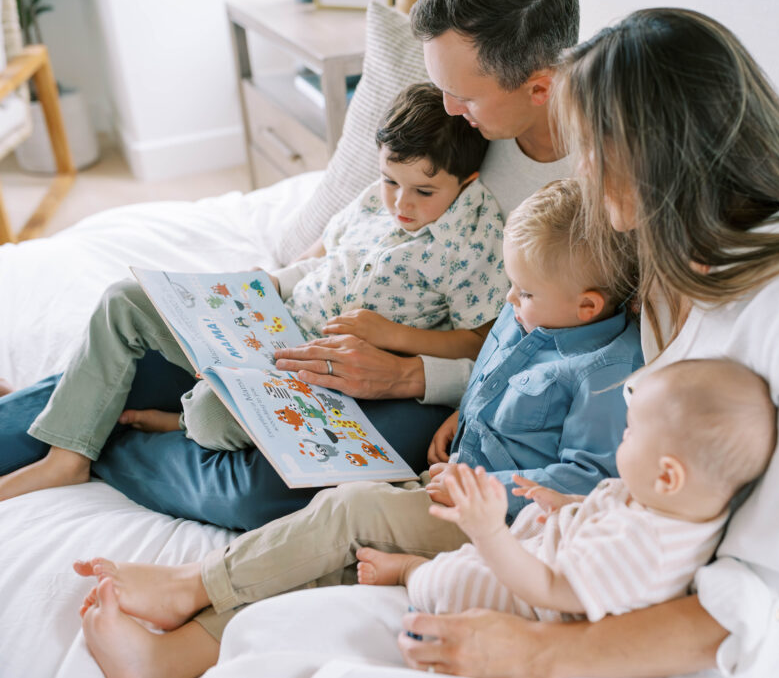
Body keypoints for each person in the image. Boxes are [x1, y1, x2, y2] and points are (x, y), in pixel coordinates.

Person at [387, 8, 779, 677]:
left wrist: (535, 652)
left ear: (648, 151)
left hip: (742, 640)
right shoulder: (683, 251)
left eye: (589, 147)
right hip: (624, 561)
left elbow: (763, 596)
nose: (582, 171)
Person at [0, 0, 578, 530]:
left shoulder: (595, 187)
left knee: (262, 490)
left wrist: (405, 369)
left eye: (466, 96)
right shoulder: (450, 118)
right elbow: (334, 245)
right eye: (442, 88)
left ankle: (103, 440)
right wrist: (254, 292)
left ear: (538, 87)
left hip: (413, 381)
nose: (451, 109)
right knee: (129, 341)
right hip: (301, 327)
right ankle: (72, 439)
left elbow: (523, 347)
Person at [74, 178, 645, 677]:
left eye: (523, 294)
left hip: (497, 523)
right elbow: (493, 376)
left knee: (349, 509)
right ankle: (173, 657)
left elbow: (586, 479)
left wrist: (485, 494)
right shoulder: (531, 313)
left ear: (588, 307)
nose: (510, 301)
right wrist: (461, 414)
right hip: (450, 477)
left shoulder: (606, 373)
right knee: (334, 558)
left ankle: (191, 585)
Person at [0, 82, 508, 501]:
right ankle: (66, 458)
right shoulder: (375, 202)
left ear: (467, 180)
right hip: (270, 319)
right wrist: (267, 281)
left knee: (207, 415)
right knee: (123, 300)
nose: (400, 203)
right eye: (389, 181)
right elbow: (320, 256)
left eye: (423, 192)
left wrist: (390, 334)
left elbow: (479, 340)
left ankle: (172, 420)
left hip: (314, 374)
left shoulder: (474, 237)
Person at [357, 359, 776, 625]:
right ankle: (431, 563)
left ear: (668, 476)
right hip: (552, 545)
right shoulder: (674, 504)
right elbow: (607, 506)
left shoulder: (646, 549)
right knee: (491, 545)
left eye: (629, 434)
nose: (621, 442)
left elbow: (550, 589)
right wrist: (565, 502)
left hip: (536, 600)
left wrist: (489, 533)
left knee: (455, 578)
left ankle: (413, 572)